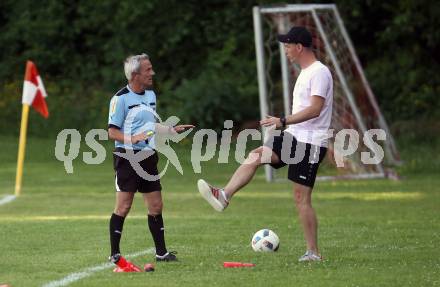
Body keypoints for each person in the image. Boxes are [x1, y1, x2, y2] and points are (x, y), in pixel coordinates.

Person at [198, 26, 333, 262]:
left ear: (299, 47)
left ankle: (313, 253)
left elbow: (315, 109)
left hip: (310, 143)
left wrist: (282, 120)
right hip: (294, 136)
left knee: (301, 198)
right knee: (257, 154)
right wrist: (286, 125)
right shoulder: (305, 72)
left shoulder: (319, 72)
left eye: (288, 46)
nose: (286, 51)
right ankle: (224, 195)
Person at [108, 53, 193, 272]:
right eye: (148, 70)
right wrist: (132, 139)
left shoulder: (151, 95)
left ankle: (161, 253)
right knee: (124, 206)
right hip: (127, 158)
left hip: (148, 157)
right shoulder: (120, 99)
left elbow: (151, 126)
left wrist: (171, 130)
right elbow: (112, 132)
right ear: (135, 74)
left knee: (156, 206)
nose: (152, 73)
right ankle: (115, 254)